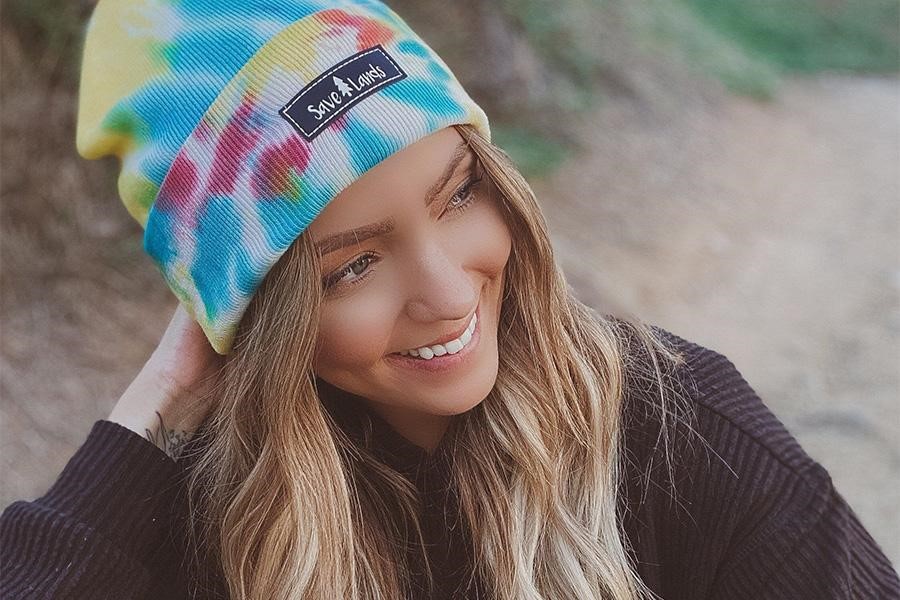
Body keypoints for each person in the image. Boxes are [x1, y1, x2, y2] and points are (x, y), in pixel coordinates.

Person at [1, 1, 898, 599]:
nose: (445, 290)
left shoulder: (678, 430)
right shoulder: (201, 523)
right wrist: (152, 412)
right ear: (259, 318)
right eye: (351, 266)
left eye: (457, 193)